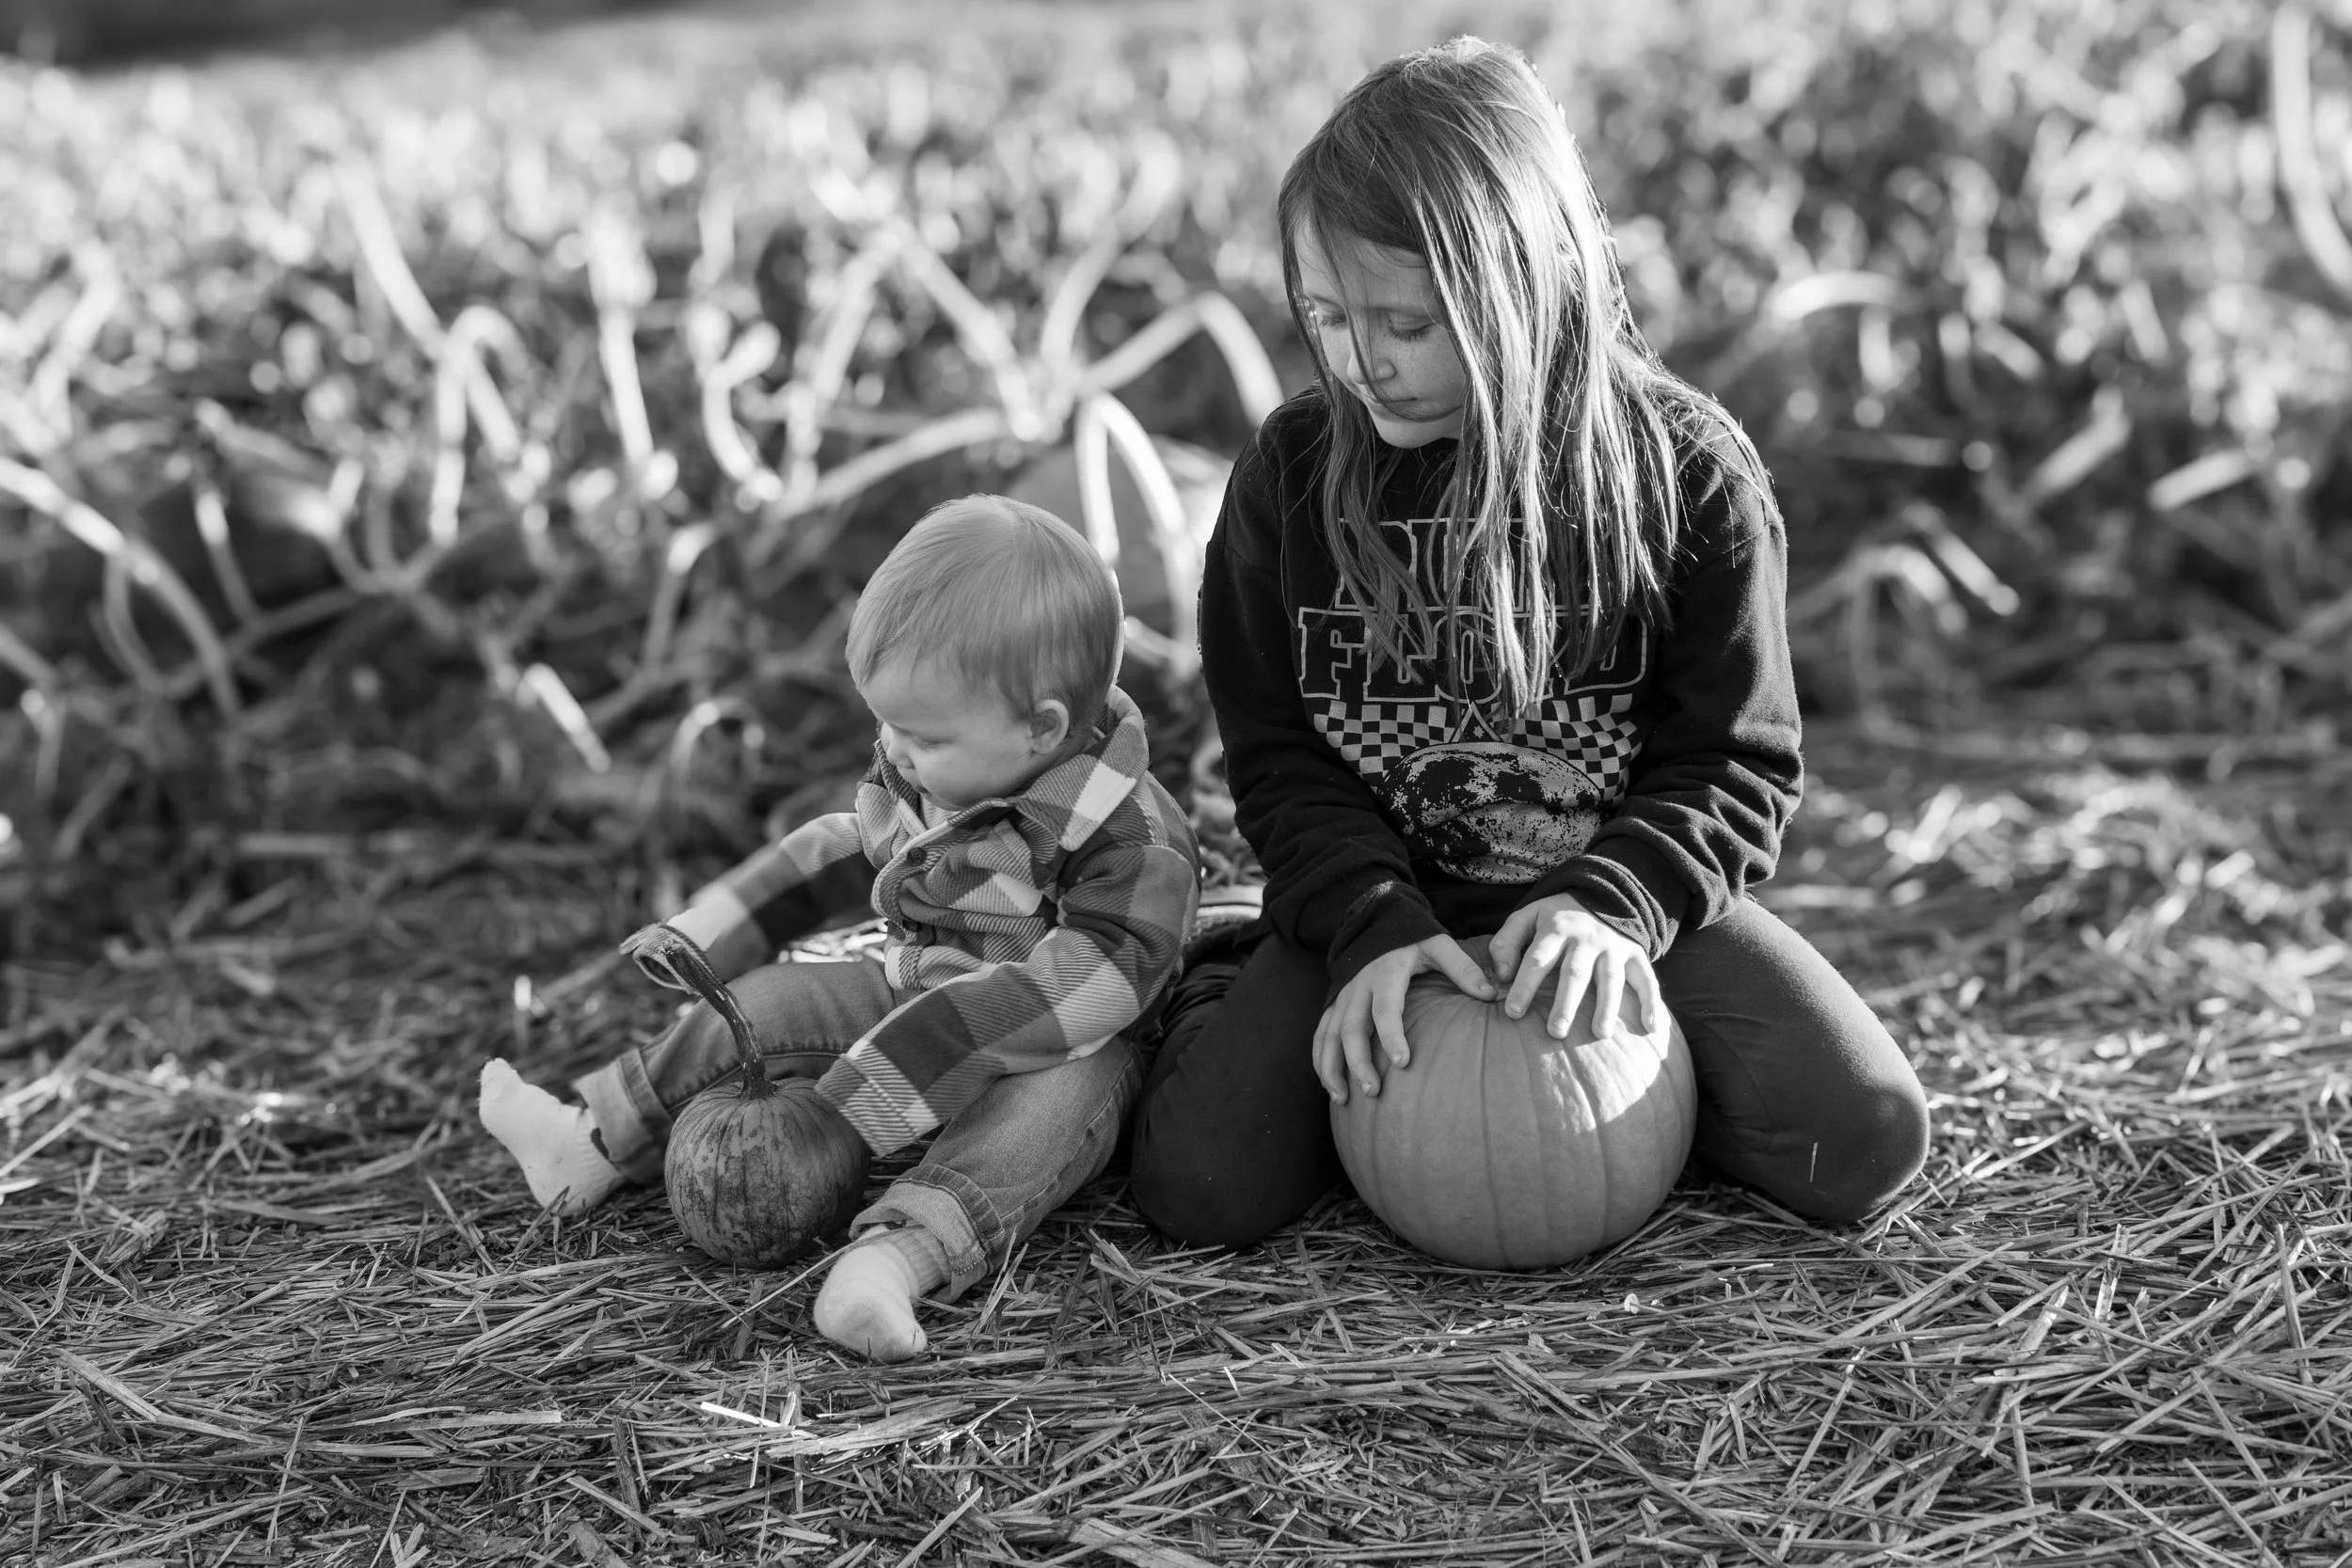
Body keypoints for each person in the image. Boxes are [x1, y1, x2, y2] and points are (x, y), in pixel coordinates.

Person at [1127, 38, 1929, 1250]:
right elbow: (1279, 759)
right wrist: (1365, 923)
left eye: (1405, 319)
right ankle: (1230, 984)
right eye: (1327, 316)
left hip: (1603, 898)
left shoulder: (1686, 476)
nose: (1360, 360)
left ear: (1530, 280)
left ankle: (1598, 1102)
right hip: (1385, 894)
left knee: (1859, 1135)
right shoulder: (1290, 479)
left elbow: (1737, 761)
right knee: (1200, 1190)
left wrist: (1611, 908)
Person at [481, 496, 1199, 1360]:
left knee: (1036, 1125)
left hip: (1073, 1042)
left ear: (1041, 726)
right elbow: (845, 848)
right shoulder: (945, 757)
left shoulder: (1129, 838)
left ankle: (897, 1258)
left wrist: (893, 1069)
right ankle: (593, 1144)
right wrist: (715, 933)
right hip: (917, 984)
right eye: (884, 723)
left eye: (920, 735)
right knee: (768, 1005)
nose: (893, 752)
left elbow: (1091, 984)